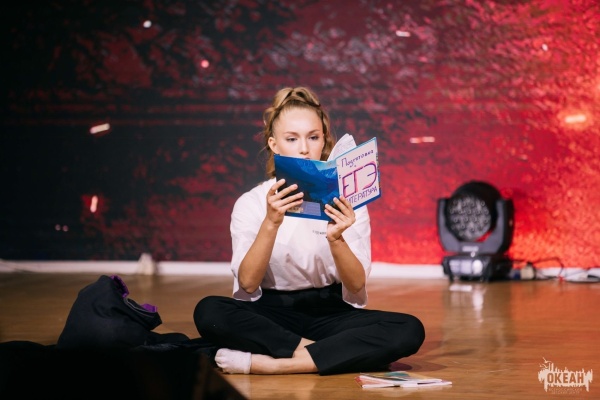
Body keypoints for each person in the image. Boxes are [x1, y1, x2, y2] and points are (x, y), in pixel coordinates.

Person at [193, 86, 425, 375]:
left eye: (313, 137)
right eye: (292, 139)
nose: (304, 148)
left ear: (324, 140)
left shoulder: (348, 200)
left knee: (408, 329)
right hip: (271, 315)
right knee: (210, 311)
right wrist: (271, 222)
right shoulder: (251, 202)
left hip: (330, 314)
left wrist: (336, 239)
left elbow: (355, 285)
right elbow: (248, 284)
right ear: (274, 144)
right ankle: (331, 354)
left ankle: (276, 365)